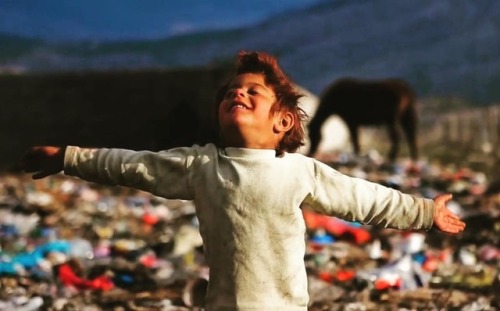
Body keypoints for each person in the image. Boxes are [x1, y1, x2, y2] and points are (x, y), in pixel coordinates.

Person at [21, 51, 465, 311]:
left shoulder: (299, 171)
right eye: (232, 91)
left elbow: (362, 198)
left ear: (283, 121)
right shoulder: (200, 165)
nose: (239, 93)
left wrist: (424, 211)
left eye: (254, 92)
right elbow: (135, 164)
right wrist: (69, 158)